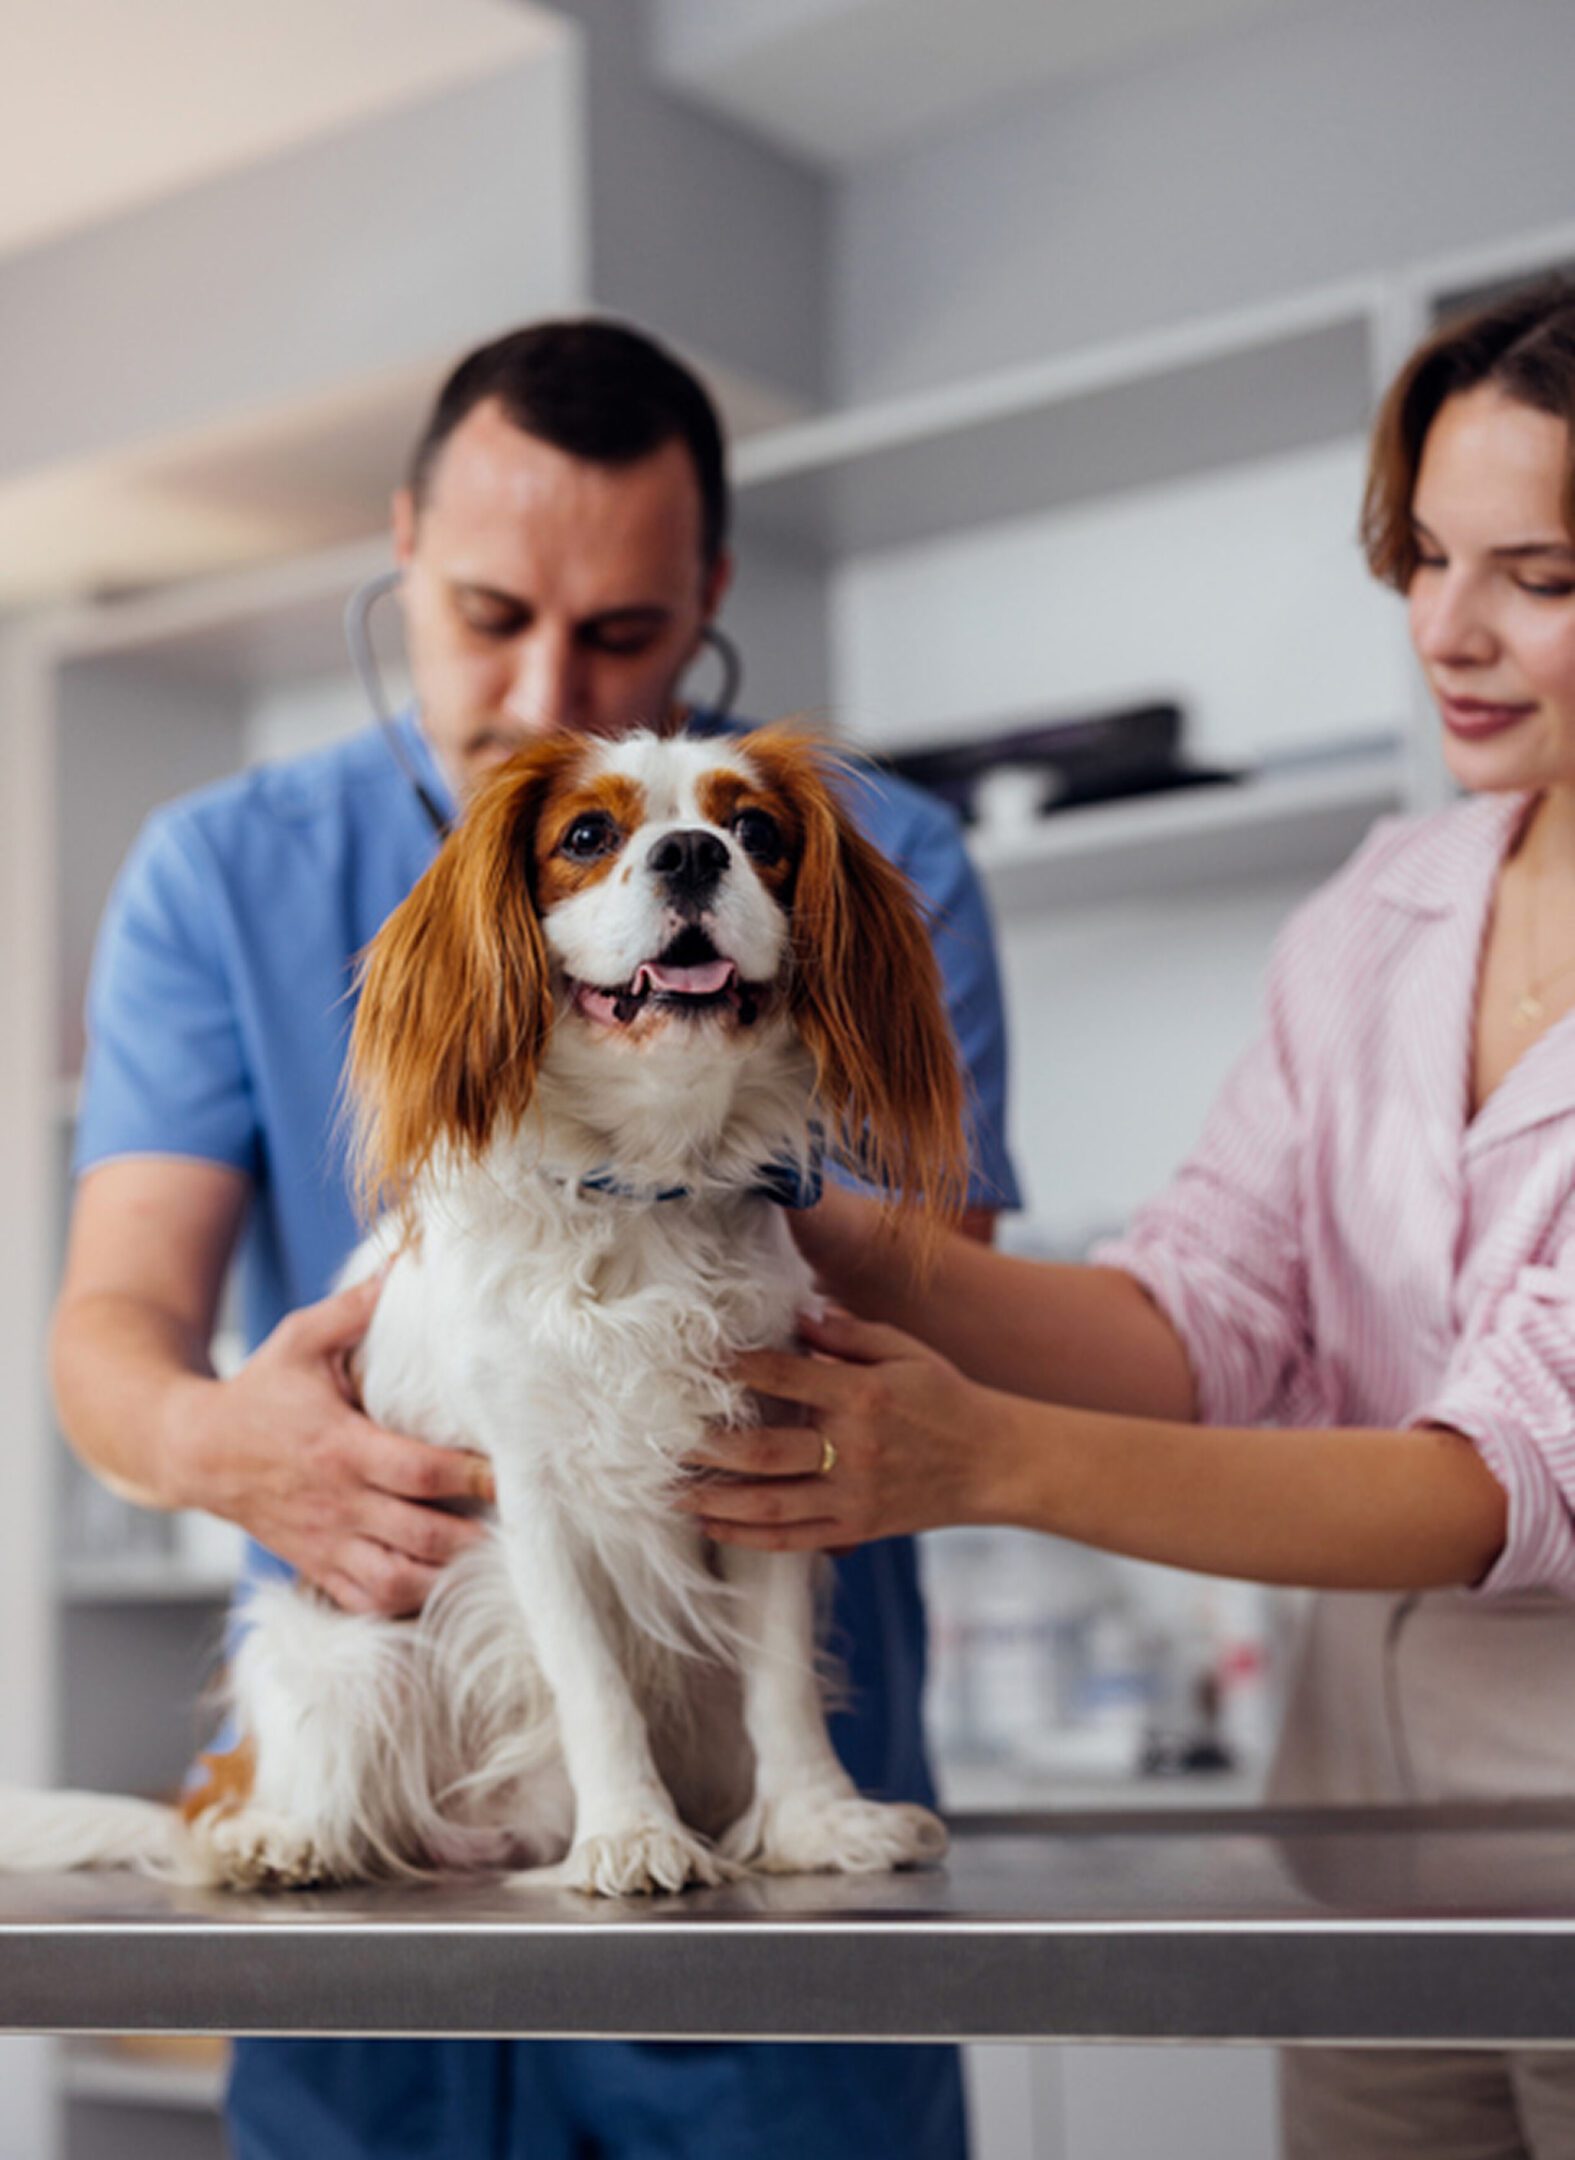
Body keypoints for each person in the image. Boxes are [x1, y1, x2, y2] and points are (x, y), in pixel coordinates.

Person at [51, 319, 1020, 2160]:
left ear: (712, 592)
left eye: (625, 633)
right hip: (411, 1703)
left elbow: (903, 1284)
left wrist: (686, 1131)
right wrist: (221, 1444)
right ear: (401, 543)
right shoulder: (220, 865)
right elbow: (110, 1323)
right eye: (489, 610)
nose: (542, 678)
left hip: (759, 1804)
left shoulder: (867, 858)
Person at [690, 276, 1575, 2160]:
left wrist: (989, 1459)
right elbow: (1208, 1311)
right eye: (1421, 554)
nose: (1448, 628)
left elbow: (1510, 1471)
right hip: (1369, 1841)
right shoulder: (1381, 910)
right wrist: (810, 1221)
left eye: (1540, 576)